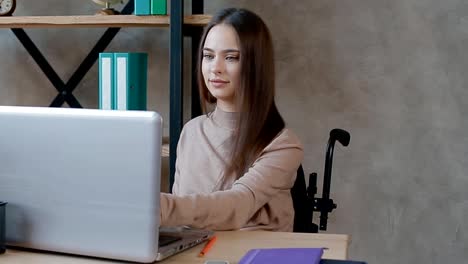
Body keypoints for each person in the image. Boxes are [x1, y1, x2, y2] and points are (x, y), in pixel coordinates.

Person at [160, 7, 304, 232]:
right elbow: (181, 224)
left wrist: (159, 207)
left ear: (255, 65)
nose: (215, 68)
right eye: (208, 56)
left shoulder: (283, 144)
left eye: (231, 57)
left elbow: (238, 204)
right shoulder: (191, 131)